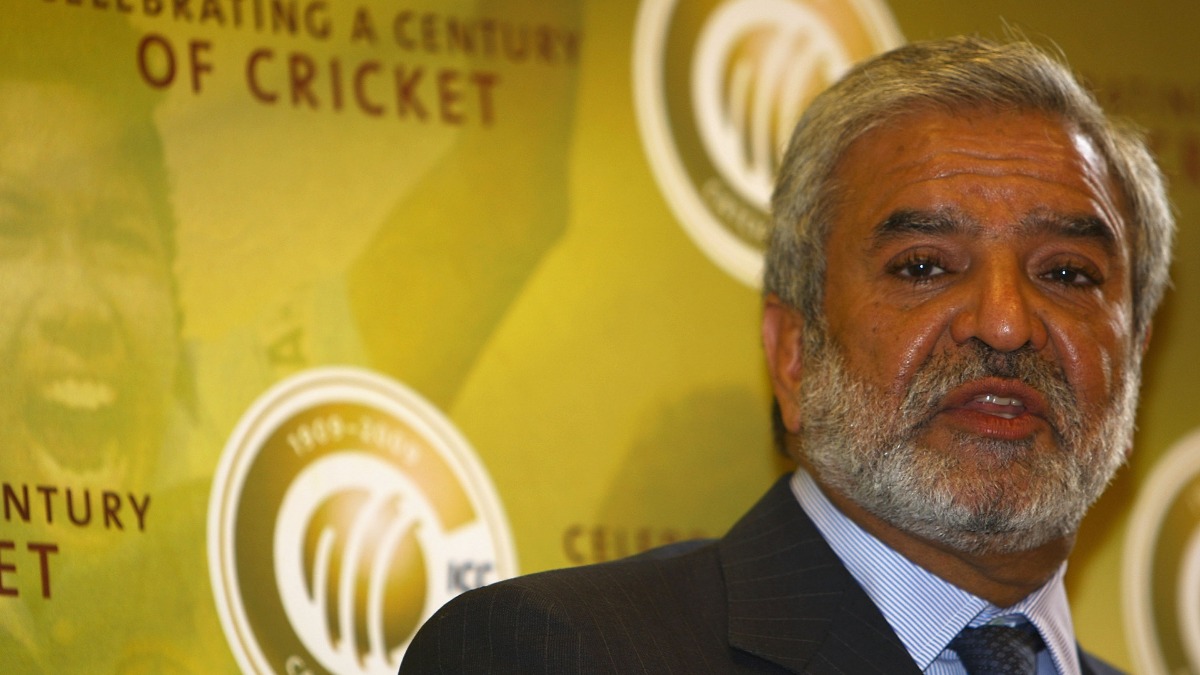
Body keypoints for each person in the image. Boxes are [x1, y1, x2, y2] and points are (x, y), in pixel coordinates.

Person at [398, 35, 1173, 675]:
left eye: (1068, 275)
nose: (1005, 323)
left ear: (1134, 355)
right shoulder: (554, 652)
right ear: (794, 355)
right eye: (923, 266)